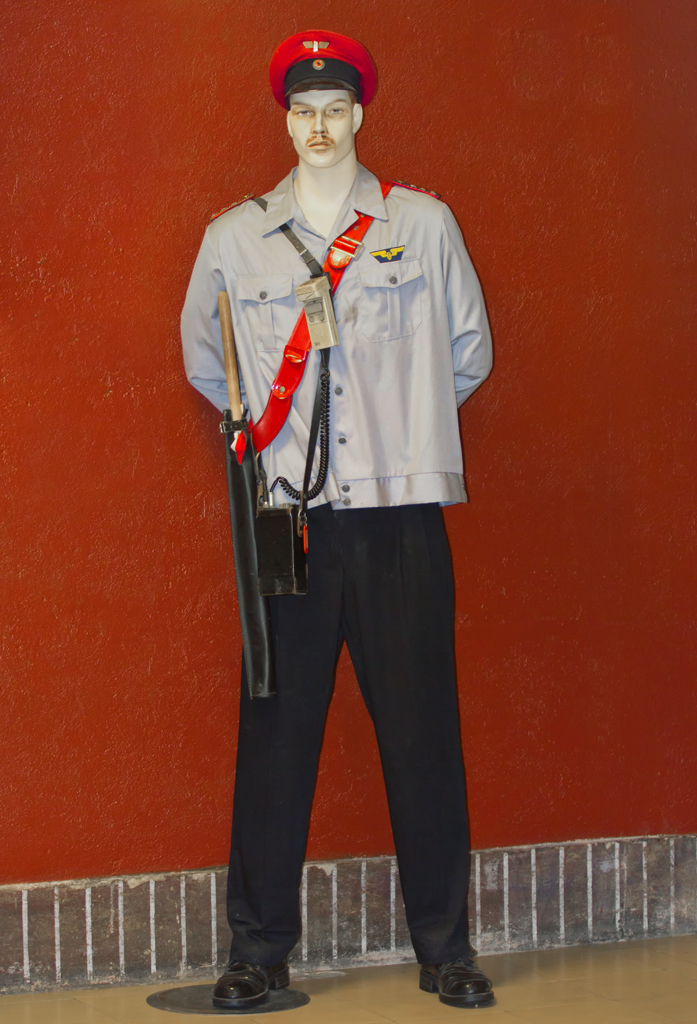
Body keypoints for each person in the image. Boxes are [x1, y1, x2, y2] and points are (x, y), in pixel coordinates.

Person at [181, 30, 494, 1011]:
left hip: (399, 520)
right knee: (274, 740)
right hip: (292, 524)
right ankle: (256, 951)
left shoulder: (423, 225)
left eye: (334, 108)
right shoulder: (234, 238)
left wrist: (400, 433)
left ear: (359, 114)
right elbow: (207, 361)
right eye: (302, 111)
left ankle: (445, 948)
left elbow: (468, 351)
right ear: (287, 121)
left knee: (423, 736)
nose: (318, 125)